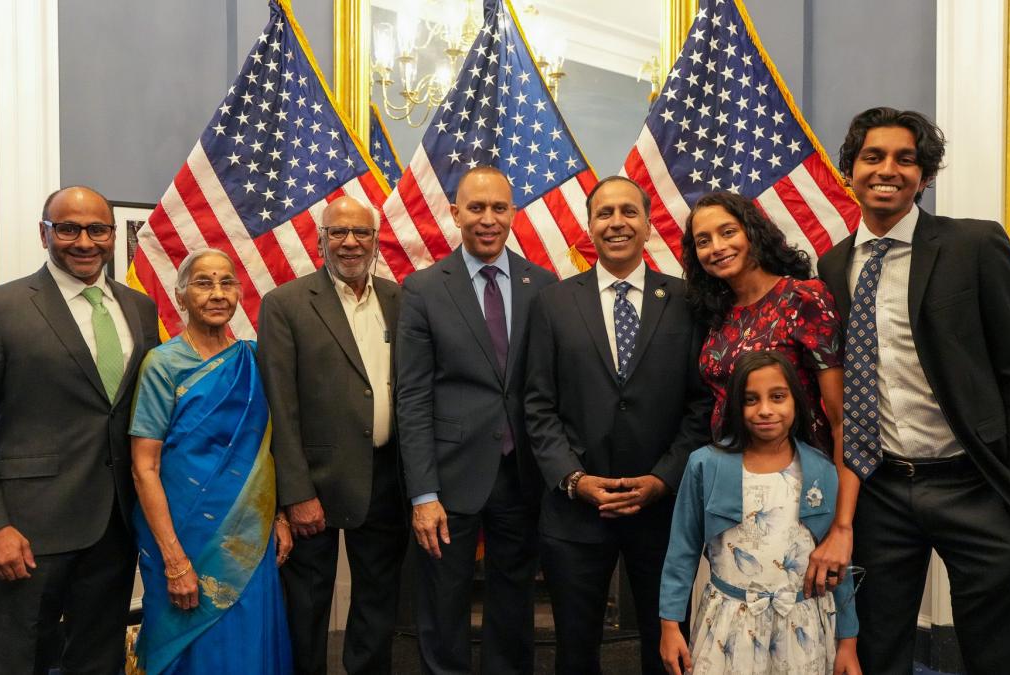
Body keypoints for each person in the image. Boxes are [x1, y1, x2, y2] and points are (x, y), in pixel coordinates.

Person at [817, 107, 1010, 673]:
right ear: (851, 169)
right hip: (881, 490)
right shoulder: (832, 265)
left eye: (906, 159)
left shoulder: (974, 244)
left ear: (923, 175)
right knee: (876, 651)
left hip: (977, 483)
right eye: (873, 157)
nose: (887, 170)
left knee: (998, 655)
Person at [0, 186, 160, 674]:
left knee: (98, 659)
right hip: (27, 530)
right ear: (44, 234)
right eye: (68, 229)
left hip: (117, 525)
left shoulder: (141, 309)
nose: (84, 242)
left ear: (112, 235)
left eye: (97, 229)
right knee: (21, 661)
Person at [524, 176, 712, 674]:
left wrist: (662, 479)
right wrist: (574, 479)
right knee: (575, 652)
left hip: (663, 510)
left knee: (668, 649)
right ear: (589, 226)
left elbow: (702, 405)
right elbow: (538, 405)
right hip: (576, 512)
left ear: (648, 224)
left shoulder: (687, 301)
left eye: (629, 212)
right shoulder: (553, 303)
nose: (617, 223)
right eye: (604, 213)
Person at [396, 166, 556, 674]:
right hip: (448, 478)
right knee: (443, 607)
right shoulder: (423, 289)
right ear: (455, 213)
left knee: (514, 606)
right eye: (477, 208)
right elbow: (412, 397)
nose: (488, 219)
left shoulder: (542, 285)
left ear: (513, 213)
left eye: (499, 208)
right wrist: (423, 495)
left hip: (522, 474)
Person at [257, 196, 409, 675]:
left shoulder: (400, 300)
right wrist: (296, 493)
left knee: (377, 606)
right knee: (306, 609)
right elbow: (280, 406)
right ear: (320, 239)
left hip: (385, 477)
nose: (350, 242)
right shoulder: (285, 304)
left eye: (361, 232)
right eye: (338, 232)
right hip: (315, 483)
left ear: (376, 241)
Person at [683, 191, 856, 596]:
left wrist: (841, 522)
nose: (717, 247)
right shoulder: (717, 313)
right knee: (739, 600)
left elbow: (841, 419)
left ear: (753, 233)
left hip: (799, 486)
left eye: (728, 232)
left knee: (802, 604)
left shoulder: (803, 298)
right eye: (703, 240)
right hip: (732, 487)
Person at [127, 248, 292, 674]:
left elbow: (266, 451)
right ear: (180, 297)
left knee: (248, 642)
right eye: (203, 283)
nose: (217, 293)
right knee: (188, 647)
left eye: (227, 282)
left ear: (239, 292)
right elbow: (144, 467)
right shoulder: (162, 365)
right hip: (182, 535)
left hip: (247, 535)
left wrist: (278, 516)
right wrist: (174, 559)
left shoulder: (253, 360)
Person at [658, 350, 860, 675]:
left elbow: (839, 566)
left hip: (802, 632)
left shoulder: (821, 470)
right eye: (751, 400)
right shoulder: (705, 465)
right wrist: (670, 626)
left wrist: (848, 642)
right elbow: (681, 551)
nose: (765, 410)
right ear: (736, 406)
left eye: (777, 397)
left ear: (796, 401)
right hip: (726, 630)